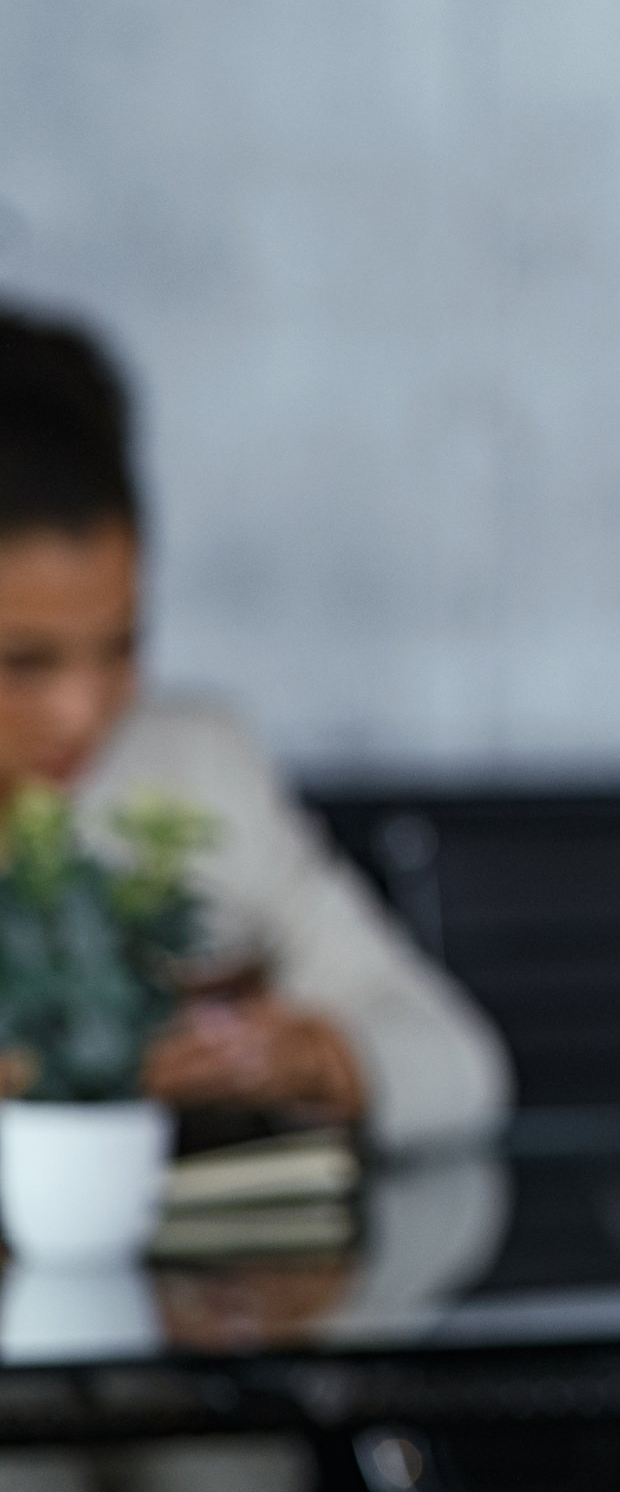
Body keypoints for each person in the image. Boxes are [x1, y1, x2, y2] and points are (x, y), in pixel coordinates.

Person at [0, 307, 507, 1149]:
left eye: (123, 646)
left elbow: (459, 1063)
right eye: (23, 662)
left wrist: (314, 1059)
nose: (83, 710)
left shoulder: (199, 761)